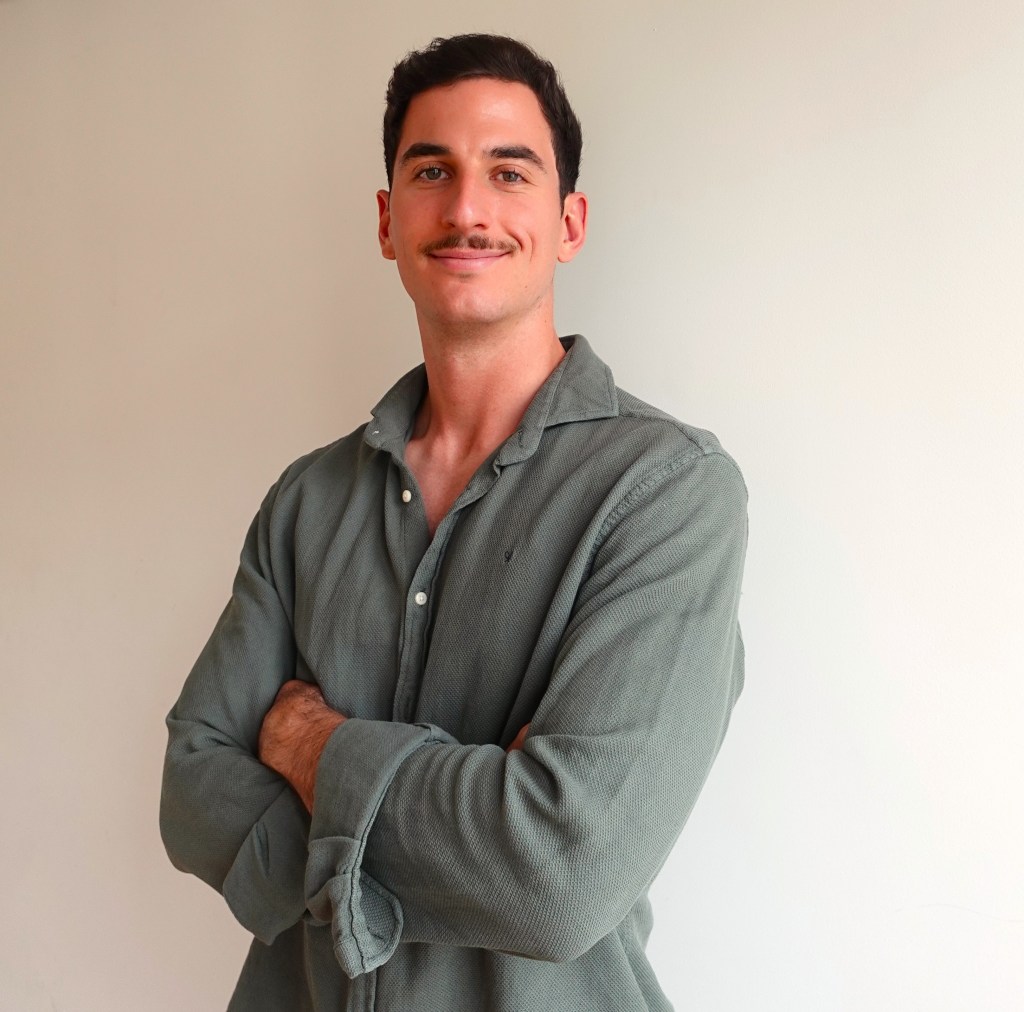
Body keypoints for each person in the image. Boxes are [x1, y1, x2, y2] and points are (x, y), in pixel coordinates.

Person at [160, 33, 747, 1011]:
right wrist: (467, 822)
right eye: (432, 170)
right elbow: (192, 791)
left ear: (569, 222)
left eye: (507, 172)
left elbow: (559, 878)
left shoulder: (666, 493)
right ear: (388, 221)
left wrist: (311, 750)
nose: (467, 208)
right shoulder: (306, 501)